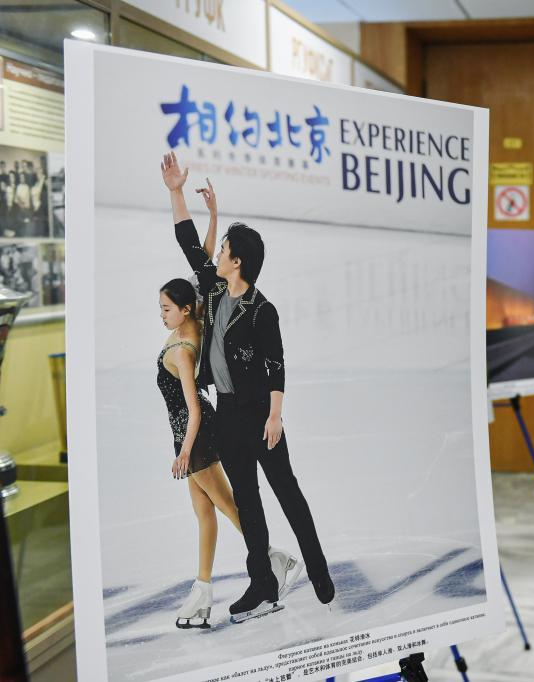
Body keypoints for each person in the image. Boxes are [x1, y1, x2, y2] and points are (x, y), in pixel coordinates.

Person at [161, 151, 336, 623]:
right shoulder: (215, 289)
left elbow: (276, 365)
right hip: (228, 413)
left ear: (237, 262)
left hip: (261, 415)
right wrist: (176, 192)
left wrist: (275, 415)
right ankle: (261, 582)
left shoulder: (262, 310)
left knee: (287, 493)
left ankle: (317, 566)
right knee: (247, 500)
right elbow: (187, 242)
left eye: (223, 251)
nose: (216, 255)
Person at [158, 276, 300, 629]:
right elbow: (198, 278)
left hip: (195, 436)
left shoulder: (183, 349)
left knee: (228, 505)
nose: (161, 315)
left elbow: (193, 408)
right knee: (204, 511)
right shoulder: (192, 325)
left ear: (185, 308)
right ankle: (202, 589)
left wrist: (185, 451)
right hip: (190, 433)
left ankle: (272, 559)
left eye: (166, 309)